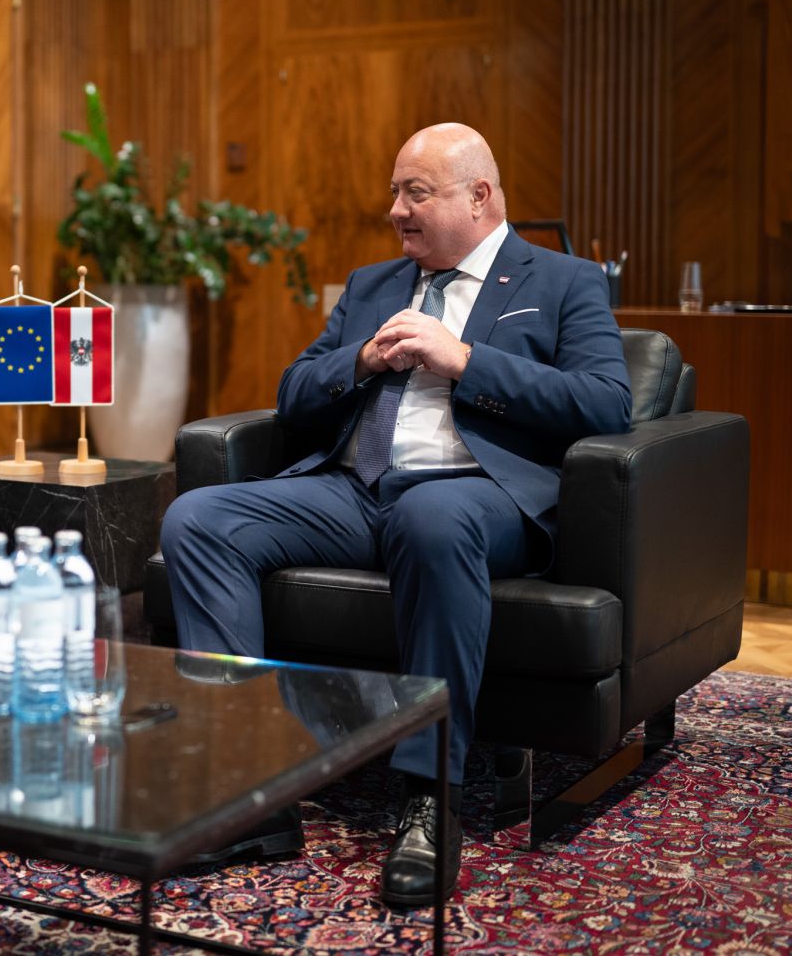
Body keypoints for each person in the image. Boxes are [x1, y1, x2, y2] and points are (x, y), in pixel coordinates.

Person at [160, 123, 631, 905]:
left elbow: (607, 402)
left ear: (479, 196)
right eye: (394, 192)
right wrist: (361, 360)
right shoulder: (375, 284)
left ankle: (428, 796)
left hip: (478, 492)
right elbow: (293, 391)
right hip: (352, 491)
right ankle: (251, 794)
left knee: (433, 517)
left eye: (416, 192)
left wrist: (467, 361)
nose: (395, 211)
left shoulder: (562, 281)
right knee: (199, 518)